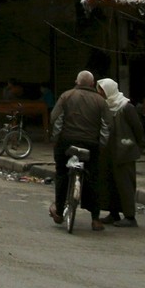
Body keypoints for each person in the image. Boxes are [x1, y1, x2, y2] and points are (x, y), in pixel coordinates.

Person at [50, 70, 111, 231]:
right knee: (93, 178)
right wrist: (101, 145)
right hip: (91, 144)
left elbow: (56, 120)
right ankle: (96, 219)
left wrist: (56, 140)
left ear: (77, 82)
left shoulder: (67, 96)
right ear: (92, 84)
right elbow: (106, 127)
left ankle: (59, 210)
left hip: (66, 142)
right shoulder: (101, 101)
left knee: (62, 173)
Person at [97, 77, 144, 227]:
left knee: (125, 185)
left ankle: (130, 216)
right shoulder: (105, 107)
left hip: (124, 153)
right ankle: (113, 213)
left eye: (102, 92)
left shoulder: (126, 107)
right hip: (108, 152)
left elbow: (137, 129)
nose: (100, 94)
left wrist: (136, 146)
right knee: (110, 183)